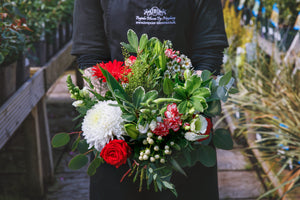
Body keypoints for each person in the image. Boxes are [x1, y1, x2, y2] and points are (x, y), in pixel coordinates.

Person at [71, 0, 228, 199]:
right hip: (117, 130)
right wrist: (118, 118)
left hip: (184, 128)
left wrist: (181, 117)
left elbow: (208, 53)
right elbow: (90, 54)